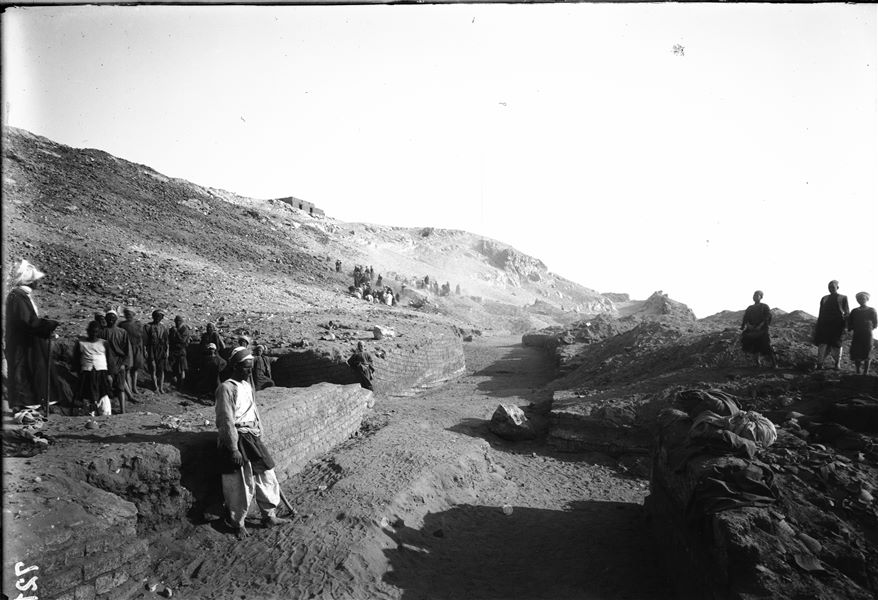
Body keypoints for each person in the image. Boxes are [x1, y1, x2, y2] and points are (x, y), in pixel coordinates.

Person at [215, 347, 290, 537]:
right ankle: (237, 523)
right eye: (246, 368)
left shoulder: (248, 386)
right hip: (236, 438)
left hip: (252, 437)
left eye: (251, 368)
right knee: (240, 483)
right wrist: (233, 449)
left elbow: (254, 412)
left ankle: (269, 515)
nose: (249, 372)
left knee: (266, 474)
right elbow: (225, 420)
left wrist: (259, 432)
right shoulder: (226, 388)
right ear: (235, 366)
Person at [4, 259, 60, 409]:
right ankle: (26, 411)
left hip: (29, 344)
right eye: (35, 279)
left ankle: (31, 408)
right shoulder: (17, 297)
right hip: (24, 347)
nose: (38, 282)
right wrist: (48, 325)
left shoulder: (20, 296)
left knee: (34, 375)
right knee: (26, 377)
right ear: (28, 281)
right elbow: (27, 321)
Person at [72, 321, 111, 414]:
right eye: (92, 331)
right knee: (87, 392)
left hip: (101, 371)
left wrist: (110, 374)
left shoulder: (104, 343)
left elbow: (109, 359)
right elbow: (76, 359)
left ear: (99, 332)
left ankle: (105, 412)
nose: (94, 334)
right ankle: (90, 413)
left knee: (103, 392)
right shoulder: (81, 343)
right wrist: (78, 372)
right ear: (88, 331)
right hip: (87, 372)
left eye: (96, 332)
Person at [814, 280, 850, 370]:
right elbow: (820, 312)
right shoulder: (824, 298)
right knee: (822, 344)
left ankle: (837, 364)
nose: (831, 289)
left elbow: (847, 312)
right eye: (829, 287)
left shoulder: (843, 298)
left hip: (837, 326)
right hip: (824, 325)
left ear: (837, 287)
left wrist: (846, 326)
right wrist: (818, 325)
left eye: (833, 287)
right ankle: (820, 363)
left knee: (836, 345)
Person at [103, 310, 132, 413]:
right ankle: (120, 410)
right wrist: (125, 363)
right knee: (119, 388)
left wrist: (124, 363)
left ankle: (114, 410)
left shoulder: (103, 332)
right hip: (113, 363)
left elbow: (127, 349)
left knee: (115, 387)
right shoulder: (121, 332)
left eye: (112, 318)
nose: (111, 320)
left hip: (111, 363)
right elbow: (127, 349)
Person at [740, 290, 777, 368]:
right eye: (754, 295)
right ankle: (757, 363)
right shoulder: (750, 308)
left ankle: (774, 364)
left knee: (766, 346)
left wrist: (760, 325)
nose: (755, 297)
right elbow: (745, 317)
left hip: (762, 330)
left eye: (757, 295)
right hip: (751, 330)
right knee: (753, 346)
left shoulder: (764, 306)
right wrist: (748, 325)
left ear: (761, 297)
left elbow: (767, 316)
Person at [848, 292, 877, 375]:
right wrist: (852, 328)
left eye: (863, 298)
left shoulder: (872, 310)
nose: (861, 300)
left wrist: (868, 328)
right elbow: (850, 322)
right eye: (859, 299)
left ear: (866, 299)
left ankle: (865, 372)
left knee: (867, 350)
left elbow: (875, 323)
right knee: (856, 351)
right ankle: (857, 371)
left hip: (867, 334)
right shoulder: (854, 311)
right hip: (857, 334)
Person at [119, 308, 146, 396]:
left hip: (137, 348)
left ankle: (134, 388)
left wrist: (143, 349)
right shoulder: (121, 325)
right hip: (126, 349)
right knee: (127, 369)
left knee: (135, 369)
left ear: (133, 314)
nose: (128, 315)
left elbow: (142, 338)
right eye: (126, 314)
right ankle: (129, 389)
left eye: (130, 314)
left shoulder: (138, 324)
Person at [144, 309, 170, 393]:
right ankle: (155, 387)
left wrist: (167, 351)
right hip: (151, 349)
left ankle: (161, 387)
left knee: (161, 369)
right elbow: (145, 340)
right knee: (153, 368)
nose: (158, 318)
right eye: (157, 316)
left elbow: (166, 341)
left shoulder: (163, 328)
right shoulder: (148, 326)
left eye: (160, 316)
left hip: (161, 349)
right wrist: (145, 350)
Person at [168, 315, 191, 388]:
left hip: (181, 351)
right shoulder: (172, 329)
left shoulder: (184, 329)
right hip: (173, 351)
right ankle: (174, 384)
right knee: (174, 368)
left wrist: (176, 333)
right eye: (176, 321)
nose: (177, 323)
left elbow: (183, 340)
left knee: (181, 369)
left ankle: (181, 386)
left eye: (179, 321)